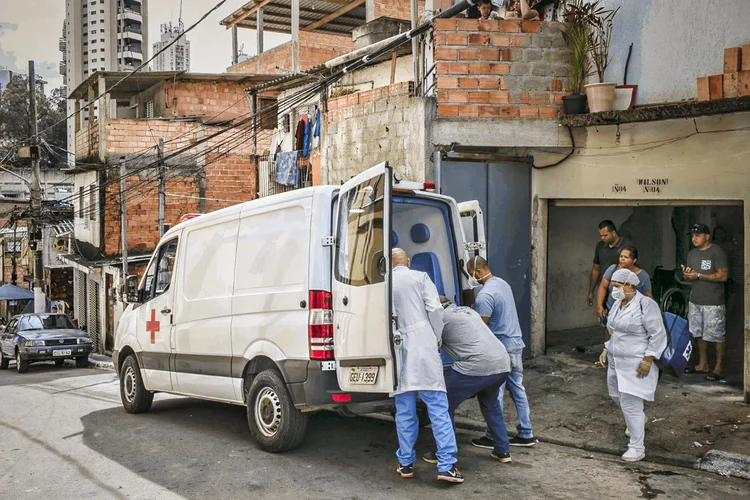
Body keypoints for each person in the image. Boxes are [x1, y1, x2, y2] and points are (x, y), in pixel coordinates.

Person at [390, 248, 463, 484]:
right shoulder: (420, 277)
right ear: (407, 262)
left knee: (404, 411)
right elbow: (435, 308)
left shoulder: (384, 284)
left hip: (397, 350)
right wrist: (436, 336)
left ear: (389, 265)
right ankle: (446, 466)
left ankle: (405, 463)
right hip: (423, 345)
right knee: (437, 408)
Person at [423, 297, 513, 464]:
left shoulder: (440, 319)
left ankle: (443, 452)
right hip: (502, 363)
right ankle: (503, 451)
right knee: (491, 404)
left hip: (475, 366)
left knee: (442, 404)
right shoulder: (469, 312)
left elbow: (430, 347)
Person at [466, 256, 538, 449]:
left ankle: (493, 436)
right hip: (515, 344)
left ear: (478, 272)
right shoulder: (503, 284)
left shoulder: (485, 295)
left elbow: (481, 328)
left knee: (494, 393)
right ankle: (526, 433)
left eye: (470, 273)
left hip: (500, 348)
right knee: (517, 390)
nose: (470, 277)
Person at [598, 269, 667, 462]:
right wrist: (606, 349)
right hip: (615, 360)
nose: (615, 290)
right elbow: (613, 330)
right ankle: (637, 419)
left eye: (618, 286)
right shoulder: (618, 304)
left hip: (636, 363)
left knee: (630, 403)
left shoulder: (646, 305)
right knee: (615, 395)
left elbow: (657, 334)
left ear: (629, 285)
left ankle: (637, 447)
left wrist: (648, 359)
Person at [682, 224, 729, 381]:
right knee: (698, 332)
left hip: (713, 302)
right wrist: (687, 275)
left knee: (717, 334)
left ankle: (719, 367)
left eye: (698, 235)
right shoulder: (691, 254)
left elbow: (723, 276)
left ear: (707, 237)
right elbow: (691, 276)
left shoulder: (717, 252)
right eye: (693, 235)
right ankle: (703, 364)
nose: (694, 238)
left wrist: (699, 275)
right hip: (696, 300)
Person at [596, 246, 653, 339]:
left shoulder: (643, 276)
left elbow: (648, 296)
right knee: (608, 330)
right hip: (612, 309)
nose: (622, 259)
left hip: (631, 314)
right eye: (621, 256)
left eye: (626, 257)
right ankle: (607, 350)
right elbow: (603, 286)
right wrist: (599, 306)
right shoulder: (613, 269)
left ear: (634, 260)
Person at [587, 220, 631, 308]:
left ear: (613, 233)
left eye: (605, 235)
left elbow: (631, 270)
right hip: (603, 290)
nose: (602, 238)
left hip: (620, 291)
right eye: (601, 235)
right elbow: (596, 269)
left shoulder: (627, 246)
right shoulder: (600, 246)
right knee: (603, 317)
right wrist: (591, 291)